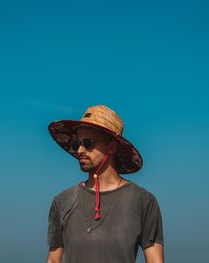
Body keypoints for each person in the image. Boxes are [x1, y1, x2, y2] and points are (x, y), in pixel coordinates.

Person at [46, 105, 164, 263]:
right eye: (76, 144)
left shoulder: (143, 201)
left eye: (88, 143)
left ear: (112, 147)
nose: (80, 150)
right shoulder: (62, 201)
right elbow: (54, 260)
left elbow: (155, 260)